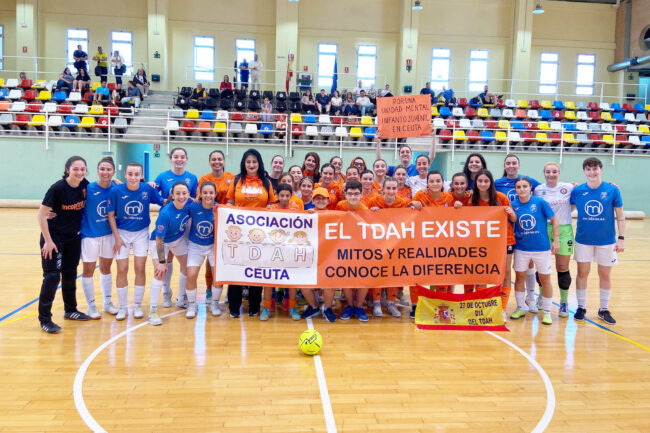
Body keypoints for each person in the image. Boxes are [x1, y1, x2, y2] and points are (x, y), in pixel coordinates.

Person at [37, 156, 92, 333]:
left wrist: (116, 181)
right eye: (76, 169)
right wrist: (48, 241)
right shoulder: (58, 188)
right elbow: (41, 215)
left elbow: (103, 188)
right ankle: (45, 319)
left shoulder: (85, 186)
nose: (79, 172)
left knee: (70, 273)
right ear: (68, 170)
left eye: (82, 169)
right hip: (53, 238)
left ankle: (70, 310)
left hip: (73, 238)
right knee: (52, 277)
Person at [570, 157, 624, 325]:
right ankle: (581, 307)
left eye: (595, 169)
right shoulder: (577, 190)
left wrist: (621, 238)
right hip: (583, 239)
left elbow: (620, 216)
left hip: (606, 240)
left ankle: (604, 309)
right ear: (584, 171)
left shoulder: (612, 190)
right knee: (582, 274)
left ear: (601, 170)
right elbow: (566, 208)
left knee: (605, 274)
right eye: (588, 169)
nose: (592, 172)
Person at [107, 162, 164, 321]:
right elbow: (110, 215)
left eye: (136, 174)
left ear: (142, 176)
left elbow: (163, 202)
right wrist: (117, 238)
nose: (133, 177)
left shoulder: (147, 189)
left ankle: (137, 305)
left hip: (141, 233)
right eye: (130, 174)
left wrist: (181, 197)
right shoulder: (116, 191)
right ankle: (122, 307)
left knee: (140, 268)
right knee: (122, 269)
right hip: (122, 234)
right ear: (125, 175)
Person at [225, 149, 277, 318]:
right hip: (239, 233)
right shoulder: (237, 180)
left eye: (254, 161)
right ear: (244, 163)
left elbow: (271, 204)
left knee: (257, 268)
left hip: (259, 233)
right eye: (248, 161)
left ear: (259, 163)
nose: (251, 164)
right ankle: (234, 306)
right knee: (236, 267)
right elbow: (230, 202)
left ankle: (254, 306)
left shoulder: (266, 182)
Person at [509, 177, 559, 326]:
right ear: (515, 189)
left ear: (530, 188)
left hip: (542, 248)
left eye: (524, 186)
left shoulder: (540, 202)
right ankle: (520, 308)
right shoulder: (513, 205)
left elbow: (554, 220)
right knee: (519, 278)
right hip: (521, 248)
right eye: (518, 187)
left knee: (545, 279)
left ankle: (547, 312)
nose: (522, 189)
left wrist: (556, 240)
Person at [495, 154, 541, 310]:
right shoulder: (498, 183)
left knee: (529, 264)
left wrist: (570, 187)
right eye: (508, 163)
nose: (511, 166)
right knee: (506, 268)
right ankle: (504, 301)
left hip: (525, 228)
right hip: (505, 230)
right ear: (504, 166)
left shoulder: (527, 181)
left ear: (519, 165)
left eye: (514, 163)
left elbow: (546, 189)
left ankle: (530, 297)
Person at [368, 177, 419, 318]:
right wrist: (371, 212)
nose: (391, 191)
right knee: (378, 273)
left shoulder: (403, 202)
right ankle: (377, 303)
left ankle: (391, 304)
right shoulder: (374, 201)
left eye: (393, 188)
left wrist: (413, 208)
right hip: (378, 244)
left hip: (396, 245)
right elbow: (363, 218)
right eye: (388, 188)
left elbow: (414, 212)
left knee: (393, 274)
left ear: (397, 189)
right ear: (383, 189)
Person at [469, 169, 517, 322]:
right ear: (476, 183)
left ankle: (502, 308)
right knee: (482, 273)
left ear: (491, 182)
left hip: (505, 240)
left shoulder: (500, 197)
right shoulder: (472, 200)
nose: (483, 184)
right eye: (480, 181)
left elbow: (514, 218)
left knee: (505, 273)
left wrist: (511, 213)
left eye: (486, 181)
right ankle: (482, 307)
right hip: (482, 243)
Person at [154, 147, 199, 307]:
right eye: (176, 156)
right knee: (167, 259)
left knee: (184, 260)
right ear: (171, 159)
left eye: (182, 156)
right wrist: (163, 200)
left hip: (184, 222)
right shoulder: (162, 176)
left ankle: (182, 296)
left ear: (186, 159)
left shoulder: (192, 177)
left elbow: (194, 197)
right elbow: (154, 194)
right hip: (167, 220)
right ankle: (166, 293)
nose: (179, 159)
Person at [79, 157, 118, 319]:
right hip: (90, 236)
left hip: (108, 235)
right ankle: (91, 306)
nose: (105, 172)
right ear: (97, 171)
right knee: (88, 271)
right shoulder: (87, 189)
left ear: (113, 172)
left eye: (108, 169)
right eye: (102, 169)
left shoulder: (117, 188)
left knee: (106, 269)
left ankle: (107, 303)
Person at [534, 162, 574, 318]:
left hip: (563, 230)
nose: (551, 174)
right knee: (542, 266)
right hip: (544, 228)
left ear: (559, 173)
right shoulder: (538, 190)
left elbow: (582, 195)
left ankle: (564, 302)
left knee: (562, 267)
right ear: (544, 173)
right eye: (548, 172)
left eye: (554, 171)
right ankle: (541, 296)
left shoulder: (568, 188)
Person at [147, 182, 191, 325]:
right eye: (178, 193)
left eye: (184, 193)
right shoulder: (165, 213)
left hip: (178, 239)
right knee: (160, 272)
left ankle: (181, 299)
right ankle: (153, 311)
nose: (181, 196)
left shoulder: (189, 204)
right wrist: (161, 262)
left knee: (188, 268)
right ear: (172, 195)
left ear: (188, 194)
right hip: (161, 242)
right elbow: (159, 239)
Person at [197, 149, 234, 305]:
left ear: (224, 161)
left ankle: (228, 291)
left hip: (228, 223)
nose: (217, 162)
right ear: (209, 162)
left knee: (228, 258)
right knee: (210, 259)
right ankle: (209, 290)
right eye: (214, 159)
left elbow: (234, 199)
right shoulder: (204, 179)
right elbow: (199, 198)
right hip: (210, 221)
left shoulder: (232, 178)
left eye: (219, 159)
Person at [261, 183, 302, 321]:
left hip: (290, 249)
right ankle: (267, 307)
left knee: (292, 279)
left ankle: (292, 306)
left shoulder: (295, 208)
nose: (284, 198)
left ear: (291, 196)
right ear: (277, 195)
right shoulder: (271, 209)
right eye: (282, 195)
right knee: (269, 279)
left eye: (287, 195)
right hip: (272, 250)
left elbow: (304, 224)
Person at [300, 187, 337, 322]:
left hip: (328, 257)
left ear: (328, 201)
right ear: (313, 200)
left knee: (329, 285)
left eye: (323, 198)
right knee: (304, 285)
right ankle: (313, 307)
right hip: (310, 256)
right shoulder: (307, 215)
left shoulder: (335, 215)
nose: (320, 201)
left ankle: (328, 308)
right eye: (317, 198)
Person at [335, 180, 369, 322]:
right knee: (346, 278)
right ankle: (350, 306)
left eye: (356, 194)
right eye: (350, 194)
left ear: (361, 195)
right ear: (345, 194)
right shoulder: (340, 206)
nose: (353, 196)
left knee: (364, 279)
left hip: (362, 249)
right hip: (344, 248)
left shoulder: (365, 209)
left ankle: (359, 306)